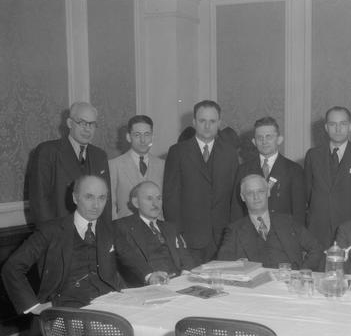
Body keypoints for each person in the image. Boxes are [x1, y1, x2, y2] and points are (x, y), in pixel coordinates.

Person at [1, 175, 163, 315]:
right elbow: (12, 267)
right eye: (89, 197)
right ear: (75, 198)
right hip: (67, 309)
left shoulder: (110, 229)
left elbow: (130, 256)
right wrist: (33, 306)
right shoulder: (51, 230)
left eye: (102, 198)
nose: (96, 205)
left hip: (111, 305)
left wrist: (149, 275)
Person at [163, 100, 239, 265]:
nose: (207, 126)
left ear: (219, 123)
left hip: (223, 237)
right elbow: (171, 198)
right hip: (189, 237)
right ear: (194, 122)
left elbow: (235, 198)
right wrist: (176, 233)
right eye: (202, 121)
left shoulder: (230, 153)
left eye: (212, 121)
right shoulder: (178, 152)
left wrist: (233, 232)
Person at [304, 106, 351, 249]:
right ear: (326, 127)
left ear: (350, 126)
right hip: (318, 231)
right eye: (333, 124)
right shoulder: (313, 155)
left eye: (343, 124)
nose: (338, 129)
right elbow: (308, 193)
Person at [28, 102, 111, 225]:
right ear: (69, 123)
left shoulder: (100, 155)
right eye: (82, 123)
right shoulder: (47, 152)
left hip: (93, 234)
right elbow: (40, 202)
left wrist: (105, 236)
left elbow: (106, 202)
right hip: (61, 234)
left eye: (92, 124)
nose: (87, 129)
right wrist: (51, 238)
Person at [218, 175, 321, 270]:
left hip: (290, 285)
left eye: (260, 191)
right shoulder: (234, 231)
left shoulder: (288, 222)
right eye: (250, 193)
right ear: (242, 197)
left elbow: (316, 249)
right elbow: (223, 264)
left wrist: (301, 273)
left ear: (268, 192)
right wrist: (239, 266)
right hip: (255, 287)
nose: (256, 197)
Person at [113, 181, 196, 286]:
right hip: (150, 286)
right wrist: (149, 276)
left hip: (178, 282)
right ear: (136, 203)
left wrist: (185, 276)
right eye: (149, 198)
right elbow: (128, 258)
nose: (155, 203)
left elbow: (185, 256)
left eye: (158, 198)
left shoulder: (169, 227)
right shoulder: (123, 226)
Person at [231, 116, 305, 226]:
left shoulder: (294, 170)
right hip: (251, 234)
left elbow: (299, 212)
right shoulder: (243, 170)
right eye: (260, 137)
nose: (264, 141)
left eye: (269, 137)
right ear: (254, 142)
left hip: (283, 234)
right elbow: (236, 209)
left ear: (279, 139)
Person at [108, 115, 165, 219]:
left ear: (152, 137)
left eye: (147, 134)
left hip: (156, 230)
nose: (143, 140)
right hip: (125, 231)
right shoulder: (114, 166)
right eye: (137, 135)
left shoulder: (163, 166)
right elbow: (110, 205)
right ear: (129, 137)